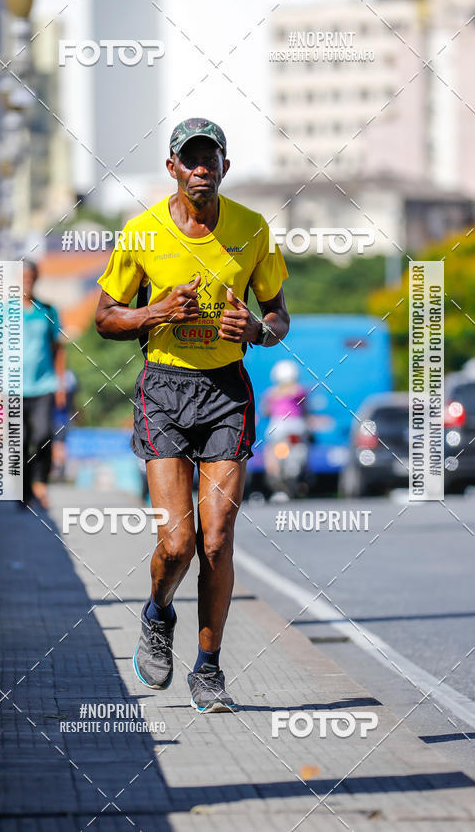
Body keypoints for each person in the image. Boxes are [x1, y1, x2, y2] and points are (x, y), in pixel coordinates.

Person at [95, 117, 290, 712]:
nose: (201, 168)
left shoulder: (252, 229)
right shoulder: (143, 233)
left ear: (225, 168)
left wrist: (256, 329)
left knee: (218, 541)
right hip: (165, 391)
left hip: (226, 390)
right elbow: (104, 317)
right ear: (173, 167)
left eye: (212, 158)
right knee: (177, 543)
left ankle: (209, 668)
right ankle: (157, 614)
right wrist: (152, 313)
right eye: (191, 159)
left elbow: (279, 315)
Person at [0, 259, 67, 508]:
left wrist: (60, 384)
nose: (27, 281)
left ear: (36, 279)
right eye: (22, 277)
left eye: (30, 277)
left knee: (42, 435)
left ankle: (40, 481)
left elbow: (58, 349)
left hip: (43, 386)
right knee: (19, 440)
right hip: (11, 388)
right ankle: (24, 489)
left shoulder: (48, 311)